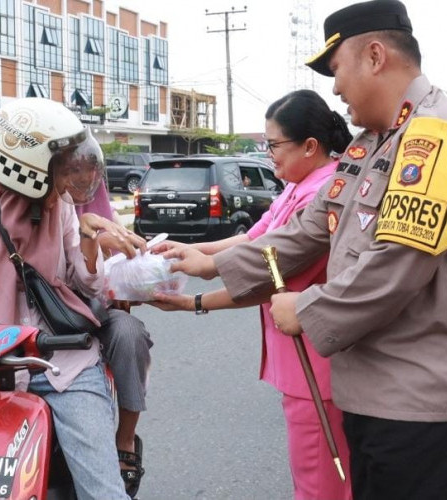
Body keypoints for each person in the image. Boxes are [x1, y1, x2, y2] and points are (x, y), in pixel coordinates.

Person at [154, 1, 447, 498]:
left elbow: (396, 265)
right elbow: (309, 231)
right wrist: (212, 263)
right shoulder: (373, 145)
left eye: (337, 70)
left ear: (375, 56)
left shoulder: (438, 137)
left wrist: (307, 307)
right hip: (375, 394)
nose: (334, 88)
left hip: (427, 407)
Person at [151, 89, 353, 500]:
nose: (268, 153)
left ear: (310, 146)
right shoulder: (299, 187)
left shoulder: (321, 193)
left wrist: (194, 297)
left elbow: (267, 270)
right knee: (317, 473)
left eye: (274, 144)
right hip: (304, 359)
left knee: (319, 480)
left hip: (315, 360)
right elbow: (251, 240)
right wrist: (185, 250)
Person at [0, 97, 144, 499]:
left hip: (65, 364)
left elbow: (86, 287)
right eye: (62, 170)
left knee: (104, 492)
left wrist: (89, 244)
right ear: (28, 169)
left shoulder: (63, 209)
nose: (70, 181)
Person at [75, 177, 153, 496]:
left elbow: (102, 276)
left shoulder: (99, 203)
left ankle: (125, 437)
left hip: (92, 308)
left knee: (129, 331)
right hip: (36, 314)